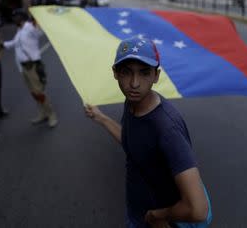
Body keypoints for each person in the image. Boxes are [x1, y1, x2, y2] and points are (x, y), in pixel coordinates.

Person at [84, 36, 212, 228]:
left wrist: (156, 216)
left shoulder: (167, 128)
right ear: (115, 73)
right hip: (137, 210)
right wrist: (101, 118)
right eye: (126, 72)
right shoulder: (133, 102)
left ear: (156, 76)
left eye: (144, 73)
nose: (134, 83)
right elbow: (133, 143)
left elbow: (198, 209)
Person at [3, 8, 58, 128]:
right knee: (33, 92)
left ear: (21, 17)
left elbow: (38, 32)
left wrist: (37, 21)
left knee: (39, 91)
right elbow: (14, 43)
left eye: (16, 17)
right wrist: (2, 44)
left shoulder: (30, 27)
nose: (14, 19)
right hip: (23, 67)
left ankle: (51, 114)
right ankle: (43, 113)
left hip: (32, 65)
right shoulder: (20, 30)